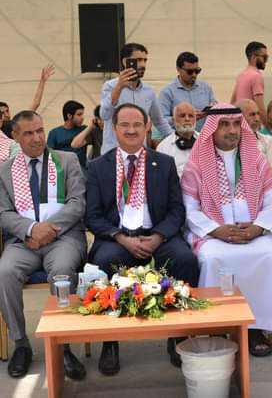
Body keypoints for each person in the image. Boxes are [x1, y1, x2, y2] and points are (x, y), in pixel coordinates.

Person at [86, 103, 200, 374]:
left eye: (137, 124)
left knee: (185, 260)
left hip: (157, 234)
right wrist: (120, 238)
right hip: (117, 238)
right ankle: (109, 341)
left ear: (147, 126)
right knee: (103, 264)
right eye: (124, 125)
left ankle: (179, 335)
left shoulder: (164, 163)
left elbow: (177, 210)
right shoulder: (98, 167)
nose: (131, 130)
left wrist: (159, 236)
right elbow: (92, 216)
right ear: (114, 128)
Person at [181, 103, 272, 357]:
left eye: (235, 124)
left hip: (254, 231)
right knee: (213, 259)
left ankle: (256, 327)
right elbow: (189, 207)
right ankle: (219, 326)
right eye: (224, 125)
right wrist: (215, 230)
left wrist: (258, 227)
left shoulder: (257, 160)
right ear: (211, 129)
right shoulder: (196, 164)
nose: (232, 130)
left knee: (269, 257)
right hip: (213, 235)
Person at [0, 110, 87, 379]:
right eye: (28, 133)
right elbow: (3, 213)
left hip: (64, 237)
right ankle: (21, 344)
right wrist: (31, 230)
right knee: (3, 276)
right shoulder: (6, 170)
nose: (36, 138)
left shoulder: (67, 160)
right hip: (23, 241)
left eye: (39, 131)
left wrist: (47, 230)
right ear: (15, 136)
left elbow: (77, 203)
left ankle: (62, 345)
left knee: (61, 272)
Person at [100, 43, 172, 153]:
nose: (143, 64)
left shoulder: (149, 91)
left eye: (145, 60)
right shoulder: (110, 86)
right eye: (138, 60)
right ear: (125, 61)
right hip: (113, 153)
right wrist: (119, 87)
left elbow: (159, 122)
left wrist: (175, 138)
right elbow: (105, 115)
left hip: (139, 154)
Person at [158, 51, 216, 131]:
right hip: (178, 137)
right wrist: (184, 118)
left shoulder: (206, 88)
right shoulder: (167, 92)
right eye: (190, 71)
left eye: (197, 71)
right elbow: (162, 120)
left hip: (204, 137)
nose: (194, 74)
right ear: (178, 69)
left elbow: (215, 109)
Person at [156, 102, 198, 177]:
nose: (187, 119)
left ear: (195, 119)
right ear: (173, 120)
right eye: (182, 116)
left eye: (191, 116)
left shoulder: (206, 141)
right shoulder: (163, 148)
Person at [231, 41, 269, 123]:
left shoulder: (241, 75)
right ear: (254, 57)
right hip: (252, 123)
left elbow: (233, 102)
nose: (266, 61)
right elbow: (260, 107)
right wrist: (268, 126)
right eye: (265, 57)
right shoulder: (256, 76)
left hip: (241, 122)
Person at [236, 99, 272, 167]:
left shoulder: (268, 142)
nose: (257, 119)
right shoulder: (231, 143)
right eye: (252, 115)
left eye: (258, 114)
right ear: (240, 117)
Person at [47, 100, 88, 168]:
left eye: (82, 114)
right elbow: (49, 157)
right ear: (69, 115)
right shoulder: (54, 133)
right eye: (79, 114)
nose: (82, 117)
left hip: (81, 171)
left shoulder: (85, 130)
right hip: (62, 170)